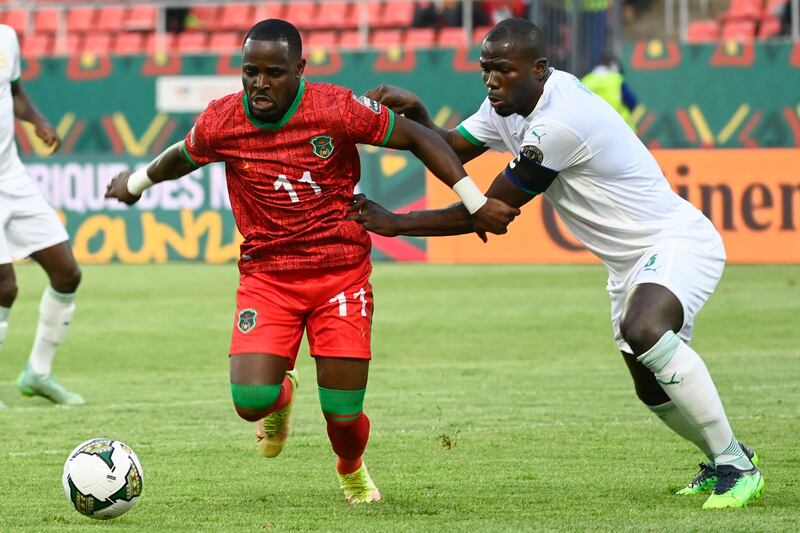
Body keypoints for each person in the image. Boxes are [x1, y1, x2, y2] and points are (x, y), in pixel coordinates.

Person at [351, 17, 764, 509]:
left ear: (539, 69)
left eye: (502, 70)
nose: (491, 81)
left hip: (674, 240)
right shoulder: (507, 105)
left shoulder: (559, 122)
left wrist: (395, 222)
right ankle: (723, 457)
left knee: (645, 329)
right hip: (626, 264)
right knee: (648, 385)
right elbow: (453, 147)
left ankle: (738, 467)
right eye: (485, 70)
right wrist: (418, 113)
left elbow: (490, 213)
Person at [104, 19, 518, 504]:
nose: (260, 83)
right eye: (250, 71)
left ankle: (351, 467)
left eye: (274, 72)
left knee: (342, 416)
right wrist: (135, 186)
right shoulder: (223, 121)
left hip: (340, 274)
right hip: (267, 276)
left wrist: (473, 201)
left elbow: (417, 138)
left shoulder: (336, 108)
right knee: (250, 402)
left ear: (300, 68)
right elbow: (180, 156)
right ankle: (281, 397)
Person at [0, 24, 84, 408]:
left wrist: (38, 120)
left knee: (66, 273)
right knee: (4, 286)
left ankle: (38, 372)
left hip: (11, 175)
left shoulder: (6, 38)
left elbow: (13, 91)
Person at [580, 55, 638, 131]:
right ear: (613, 66)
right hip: (619, 128)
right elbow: (632, 102)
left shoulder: (585, 81)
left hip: (590, 131)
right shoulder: (616, 79)